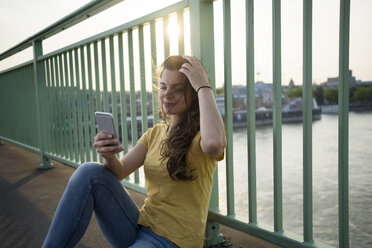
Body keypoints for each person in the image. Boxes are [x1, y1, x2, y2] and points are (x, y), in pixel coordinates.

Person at [42, 55, 226, 248]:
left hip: (173, 241)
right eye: (163, 87)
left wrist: (203, 86)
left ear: (194, 92)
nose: (167, 94)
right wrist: (109, 155)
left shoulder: (202, 136)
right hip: (139, 227)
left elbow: (214, 144)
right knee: (89, 172)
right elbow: (119, 172)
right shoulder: (154, 133)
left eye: (177, 89)